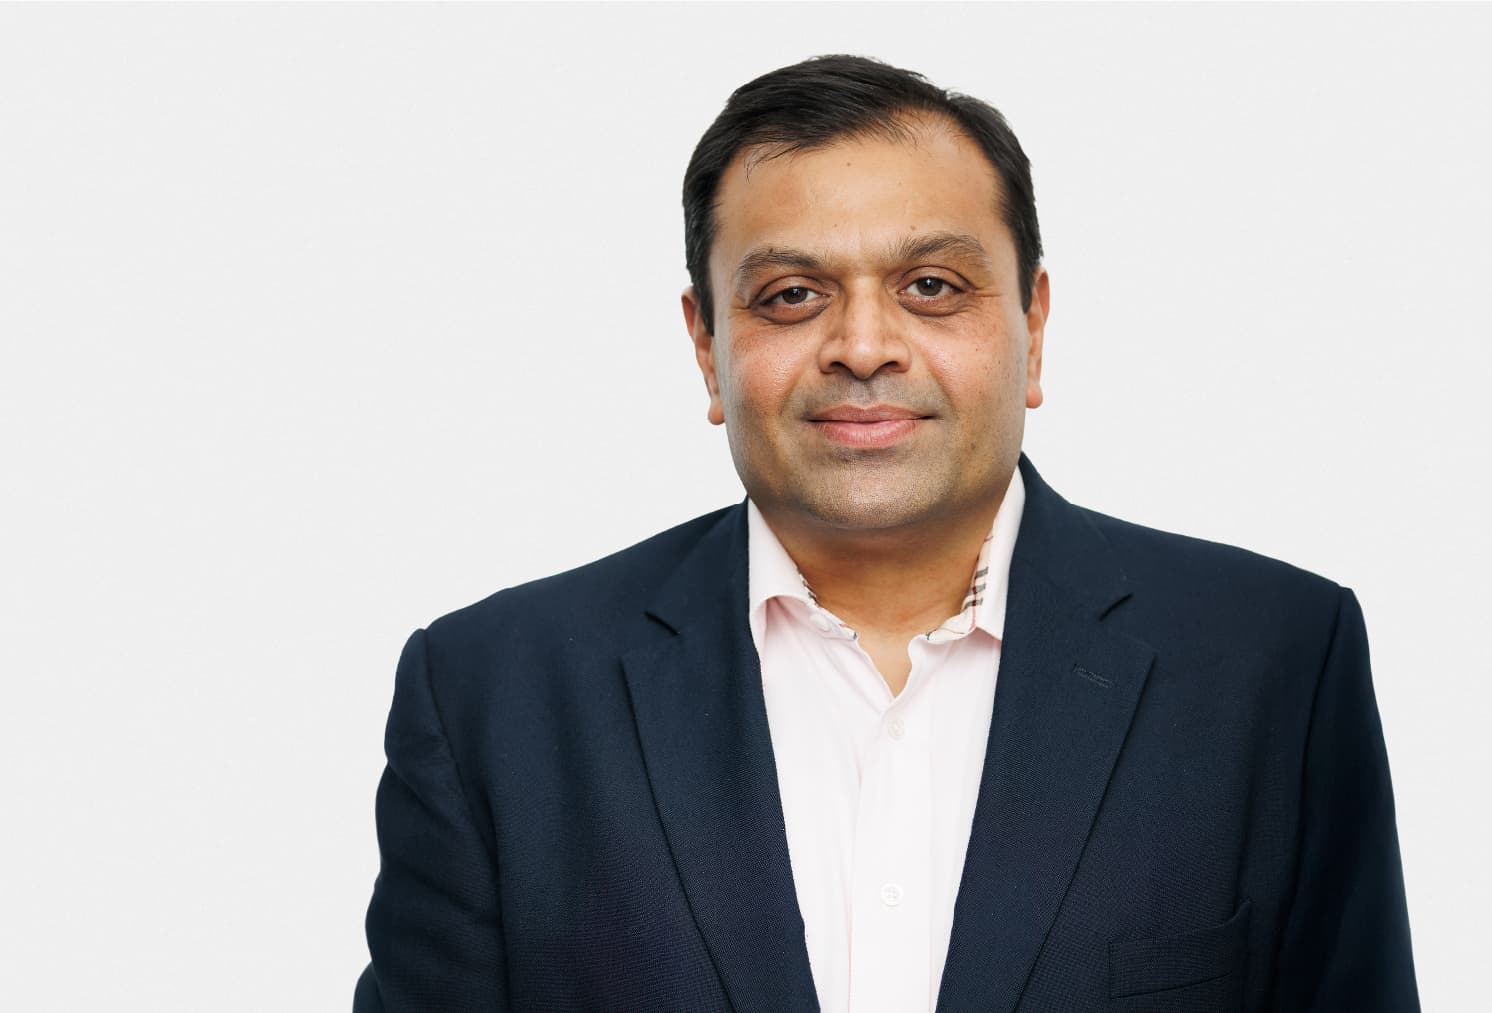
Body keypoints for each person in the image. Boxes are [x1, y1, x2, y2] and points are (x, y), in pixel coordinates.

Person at [354, 54, 1420, 1013]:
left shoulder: (1272, 661)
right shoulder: (493, 694)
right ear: (706, 345)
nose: (863, 346)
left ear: (1032, 323)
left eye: (931, 287)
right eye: (790, 295)